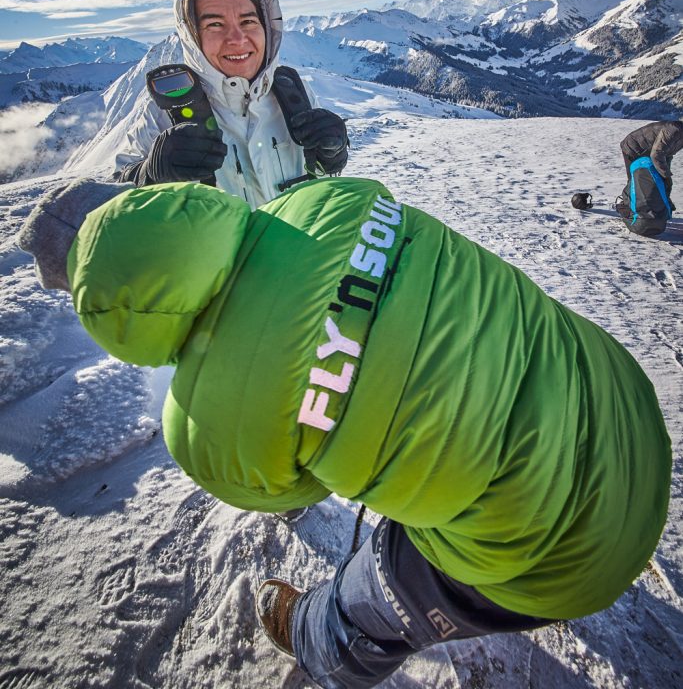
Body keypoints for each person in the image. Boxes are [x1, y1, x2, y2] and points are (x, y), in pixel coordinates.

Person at [18, 176, 671, 689]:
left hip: (567, 554)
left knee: (374, 592)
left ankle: (319, 641)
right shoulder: (330, 198)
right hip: (619, 399)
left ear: (107, 311)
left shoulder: (201, 430)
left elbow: (292, 490)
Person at [115, 0, 349, 207]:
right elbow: (115, 199)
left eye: (248, 21)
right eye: (215, 24)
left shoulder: (294, 95)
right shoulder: (165, 113)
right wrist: (150, 175)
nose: (237, 39)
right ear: (192, 36)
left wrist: (332, 155)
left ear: (267, 27)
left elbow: (319, 180)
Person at [620, 120, 683, 205]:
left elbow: (666, 151)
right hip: (633, 148)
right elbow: (656, 154)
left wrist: (666, 175)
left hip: (651, 152)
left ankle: (663, 206)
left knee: (662, 181)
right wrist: (665, 175)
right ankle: (628, 205)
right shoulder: (674, 130)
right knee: (635, 181)